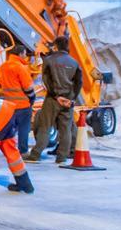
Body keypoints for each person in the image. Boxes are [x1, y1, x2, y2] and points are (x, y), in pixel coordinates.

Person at [26, 35, 82, 164]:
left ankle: (35, 155)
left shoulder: (49, 60)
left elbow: (47, 80)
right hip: (68, 101)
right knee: (66, 129)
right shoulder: (74, 62)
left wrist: (57, 96)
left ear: (56, 46)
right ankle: (62, 157)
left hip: (53, 99)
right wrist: (71, 98)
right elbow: (78, 83)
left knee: (45, 126)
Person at [0, 44, 38, 153]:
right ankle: (23, 151)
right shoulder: (20, 67)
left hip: (8, 105)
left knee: (9, 129)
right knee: (23, 129)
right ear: (20, 54)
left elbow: (0, 84)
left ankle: (7, 149)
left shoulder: (2, 67)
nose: (25, 56)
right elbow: (28, 87)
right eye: (25, 54)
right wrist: (32, 99)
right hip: (22, 105)